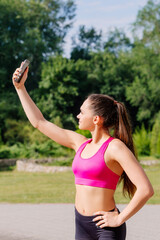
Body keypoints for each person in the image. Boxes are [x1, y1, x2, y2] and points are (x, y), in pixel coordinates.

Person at [12, 62, 154, 240]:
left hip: (106, 228)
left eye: (81, 112)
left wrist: (119, 218)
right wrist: (20, 88)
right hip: (81, 225)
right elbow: (40, 123)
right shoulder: (79, 143)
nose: (78, 116)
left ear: (96, 119)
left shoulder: (115, 147)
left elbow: (146, 189)